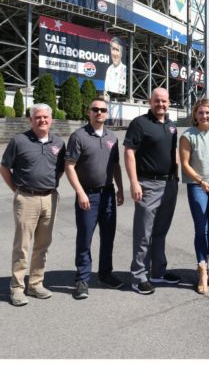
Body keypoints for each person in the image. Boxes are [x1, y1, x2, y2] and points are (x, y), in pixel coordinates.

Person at [0, 104, 65, 307]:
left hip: (50, 198)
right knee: (23, 245)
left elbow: (61, 169)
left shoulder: (59, 143)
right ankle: (17, 288)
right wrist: (17, 190)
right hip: (26, 198)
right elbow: (4, 167)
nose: (42, 120)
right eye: (37, 117)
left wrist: (49, 187)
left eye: (45, 117)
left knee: (43, 244)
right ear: (31, 120)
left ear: (51, 119)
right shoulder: (19, 141)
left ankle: (35, 284)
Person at [65, 98, 125, 300]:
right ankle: (82, 279)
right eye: (95, 109)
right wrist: (81, 192)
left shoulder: (112, 136)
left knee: (108, 237)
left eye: (103, 110)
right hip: (87, 195)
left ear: (107, 113)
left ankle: (105, 274)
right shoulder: (78, 136)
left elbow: (115, 165)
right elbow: (69, 166)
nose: (99, 113)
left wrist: (120, 189)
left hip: (108, 193)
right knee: (85, 238)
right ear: (88, 112)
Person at [124, 87, 180, 295]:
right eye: (157, 101)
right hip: (148, 184)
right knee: (143, 233)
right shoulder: (139, 124)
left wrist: (175, 176)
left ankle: (158, 271)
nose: (161, 105)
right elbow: (129, 152)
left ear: (169, 102)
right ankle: (139, 276)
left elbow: (173, 152)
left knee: (160, 231)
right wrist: (134, 182)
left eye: (164, 101)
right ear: (150, 101)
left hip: (169, 185)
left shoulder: (171, 125)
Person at [179, 99, 209, 294]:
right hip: (198, 186)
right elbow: (185, 164)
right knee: (201, 227)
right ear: (195, 114)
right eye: (201, 113)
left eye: (208, 113)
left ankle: (205, 263)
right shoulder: (188, 135)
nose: (204, 116)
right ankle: (202, 270)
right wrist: (200, 180)